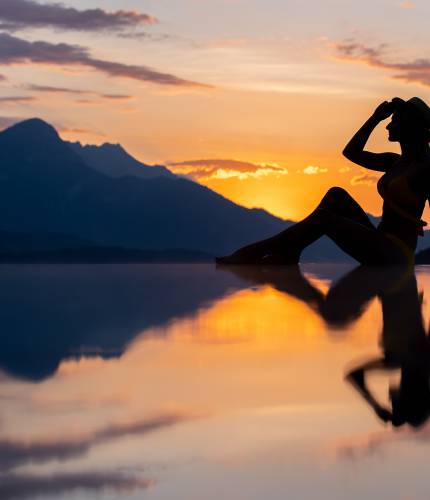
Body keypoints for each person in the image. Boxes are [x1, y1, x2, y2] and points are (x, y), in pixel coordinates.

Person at [216, 97, 430, 266]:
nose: (388, 126)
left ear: (411, 126)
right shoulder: (394, 162)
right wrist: (375, 117)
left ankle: (254, 252)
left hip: (395, 254)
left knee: (325, 218)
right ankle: (290, 250)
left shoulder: (424, 169)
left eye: (395, 120)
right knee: (336, 195)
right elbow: (351, 152)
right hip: (379, 241)